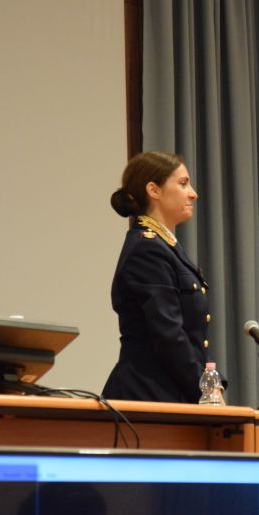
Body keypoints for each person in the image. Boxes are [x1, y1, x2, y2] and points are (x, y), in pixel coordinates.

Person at [102, 152, 224, 404]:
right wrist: (207, 391)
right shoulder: (148, 250)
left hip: (169, 392)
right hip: (148, 396)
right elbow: (169, 335)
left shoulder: (165, 246)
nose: (193, 193)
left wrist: (211, 387)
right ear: (153, 190)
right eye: (182, 183)